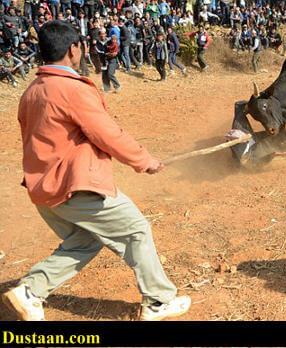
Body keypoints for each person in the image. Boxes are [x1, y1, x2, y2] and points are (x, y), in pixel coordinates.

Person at [1, 20, 191, 322]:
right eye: (81, 45)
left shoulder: (32, 91)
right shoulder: (70, 89)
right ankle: (159, 301)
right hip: (75, 187)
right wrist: (144, 160)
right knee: (136, 230)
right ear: (74, 49)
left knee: (85, 241)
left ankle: (31, 291)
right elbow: (107, 133)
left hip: (44, 189)